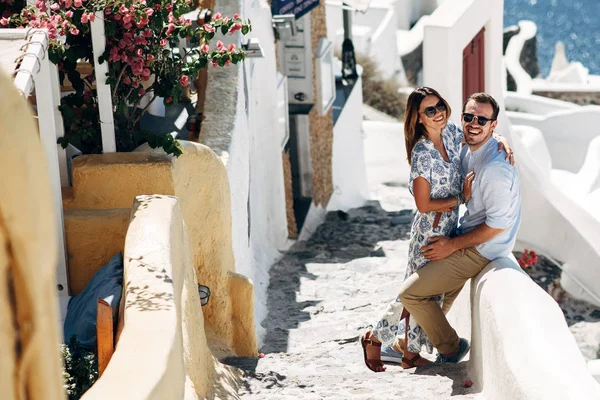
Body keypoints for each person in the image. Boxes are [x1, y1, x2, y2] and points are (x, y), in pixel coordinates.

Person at [360, 88, 515, 372]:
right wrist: (460, 198)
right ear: (418, 119)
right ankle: (374, 337)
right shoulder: (422, 152)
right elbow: (423, 203)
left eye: (440, 105)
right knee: (414, 294)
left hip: (450, 229)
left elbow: (480, 131)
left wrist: (501, 139)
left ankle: (409, 353)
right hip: (428, 233)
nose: (438, 112)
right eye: (429, 110)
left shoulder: (452, 135)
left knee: (428, 296)